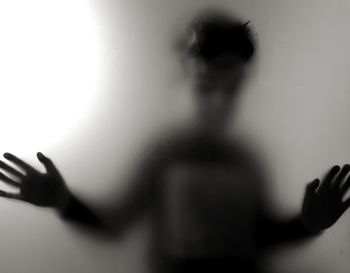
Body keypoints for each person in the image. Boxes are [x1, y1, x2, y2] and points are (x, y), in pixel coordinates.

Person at [0, 10, 349, 273]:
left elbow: (260, 235)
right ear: (185, 79)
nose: (219, 102)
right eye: (206, 85)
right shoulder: (166, 153)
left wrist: (308, 224)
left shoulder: (246, 159)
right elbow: (116, 223)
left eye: (232, 87)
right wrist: (63, 200)